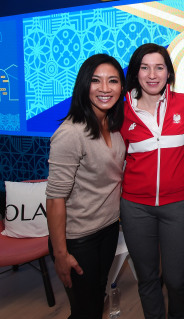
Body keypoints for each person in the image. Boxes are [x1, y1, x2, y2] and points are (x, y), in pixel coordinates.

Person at [46, 53, 126, 319]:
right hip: (78, 239)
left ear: (121, 87)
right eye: (96, 81)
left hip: (107, 229)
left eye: (112, 81)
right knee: (85, 310)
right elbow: (56, 198)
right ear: (83, 85)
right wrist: (60, 254)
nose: (105, 88)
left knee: (95, 301)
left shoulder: (113, 127)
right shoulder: (70, 133)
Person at [120, 43, 184, 319]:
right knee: (148, 278)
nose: (152, 74)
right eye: (145, 67)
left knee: (177, 280)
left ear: (168, 72)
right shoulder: (121, 111)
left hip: (177, 206)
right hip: (135, 208)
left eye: (159, 67)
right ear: (136, 72)